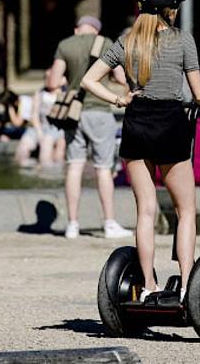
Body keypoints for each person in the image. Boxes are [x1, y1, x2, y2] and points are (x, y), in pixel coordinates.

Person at [82, 0, 200, 303]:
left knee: (144, 211)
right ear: (169, 9)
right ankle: (189, 285)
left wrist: (119, 100)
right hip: (170, 125)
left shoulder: (126, 41)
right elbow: (199, 94)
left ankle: (148, 285)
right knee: (185, 209)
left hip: (136, 124)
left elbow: (89, 80)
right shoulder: (182, 40)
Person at [47, 15, 132, 240]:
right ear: (96, 30)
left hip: (73, 114)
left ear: (77, 29)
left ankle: (72, 224)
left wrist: (71, 82)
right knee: (103, 168)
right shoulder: (105, 43)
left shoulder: (65, 45)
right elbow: (121, 78)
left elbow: (53, 82)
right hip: (99, 111)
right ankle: (109, 223)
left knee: (74, 166)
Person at [15, 69, 66, 169]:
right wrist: (39, 133)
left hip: (56, 128)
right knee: (23, 148)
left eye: (50, 77)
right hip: (39, 127)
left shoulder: (64, 94)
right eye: (46, 77)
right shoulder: (39, 94)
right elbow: (34, 116)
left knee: (47, 145)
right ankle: (26, 171)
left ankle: (45, 173)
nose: (47, 80)